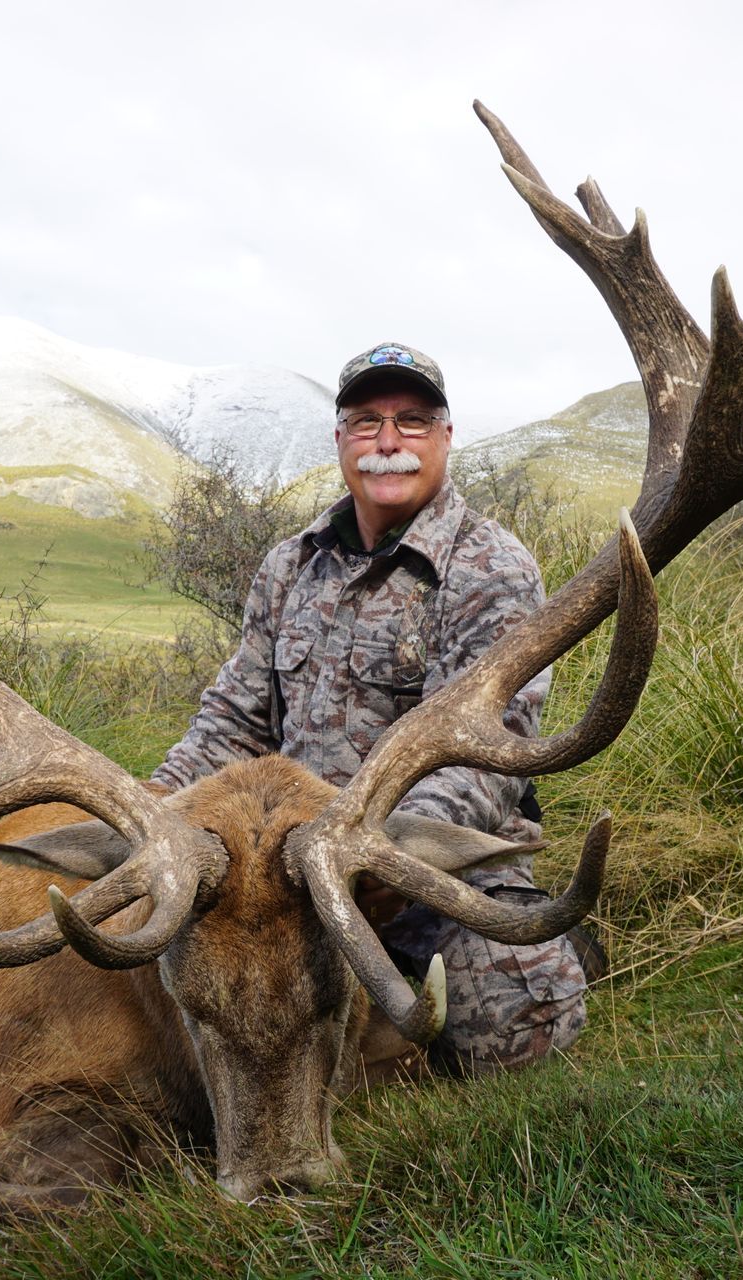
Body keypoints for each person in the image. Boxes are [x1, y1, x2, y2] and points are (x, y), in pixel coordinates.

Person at [151, 341, 590, 1076]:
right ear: (341, 441)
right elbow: (230, 724)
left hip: (426, 872)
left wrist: (375, 857)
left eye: (412, 421)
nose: (388, 442)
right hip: (285, 872)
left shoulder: (491, 568)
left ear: (446, 437)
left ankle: (531, 954)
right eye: (367, 422)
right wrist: (150, 812)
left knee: (519, 1032)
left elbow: (485, 756)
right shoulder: (290, 566)